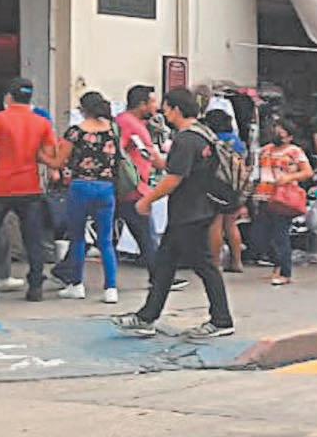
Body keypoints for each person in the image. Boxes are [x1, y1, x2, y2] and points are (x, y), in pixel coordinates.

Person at [111, 88, 235, 340]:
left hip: (189, 212)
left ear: (176, 109)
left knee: (204, 266)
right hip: (199, 209)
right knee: (165, 264)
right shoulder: (203, 134)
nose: (164, 114)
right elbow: (184, 169)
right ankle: (147, 316)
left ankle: (221, 319)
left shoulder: (185, 139)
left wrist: (147, 200)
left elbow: (174, 179)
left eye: (166, 109)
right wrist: (161, 162)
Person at [0, 78, 59, 302]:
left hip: (1, 187)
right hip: (30, 187)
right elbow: (51, 155)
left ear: (9, 97)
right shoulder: (42, 123)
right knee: (33, 239)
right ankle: (35, 285)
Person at [53, 91, 122, 304]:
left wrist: (40, 156)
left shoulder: (75, 132)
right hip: (106, 188)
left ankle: (77, 284)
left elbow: (58, 162)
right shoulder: (113, 130)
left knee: (77, 238)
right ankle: (111, 288)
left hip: (80, 187)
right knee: (106, 241)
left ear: (83, 109)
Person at [113, 85, 180, 290]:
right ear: (141, 104)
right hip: (131, 187)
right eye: (152, 102)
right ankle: (160, 277)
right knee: (146, 233)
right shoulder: (129, 125)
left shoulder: (131, 123)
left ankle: (67, 269)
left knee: (142, 234)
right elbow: (147, 156)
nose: (156, 106)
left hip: (130, 186)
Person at [251, 119, 313, 285]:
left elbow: (307, 172)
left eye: (281, 131)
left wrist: (289, 177)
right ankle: (277, 266)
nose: (277, 133)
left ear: (289, 136)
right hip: (264, 195)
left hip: (282, 197)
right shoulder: (265, 150)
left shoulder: (295, 151)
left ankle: (285, 272)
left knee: (280, 235)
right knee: (262, 235)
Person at [203, 109, 246, 273]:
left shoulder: (213, 140)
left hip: (217, 184)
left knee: (215, 224)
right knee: (231, 224)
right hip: (235, 186)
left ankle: (215, 263)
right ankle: (237, 261)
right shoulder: (237, 141)